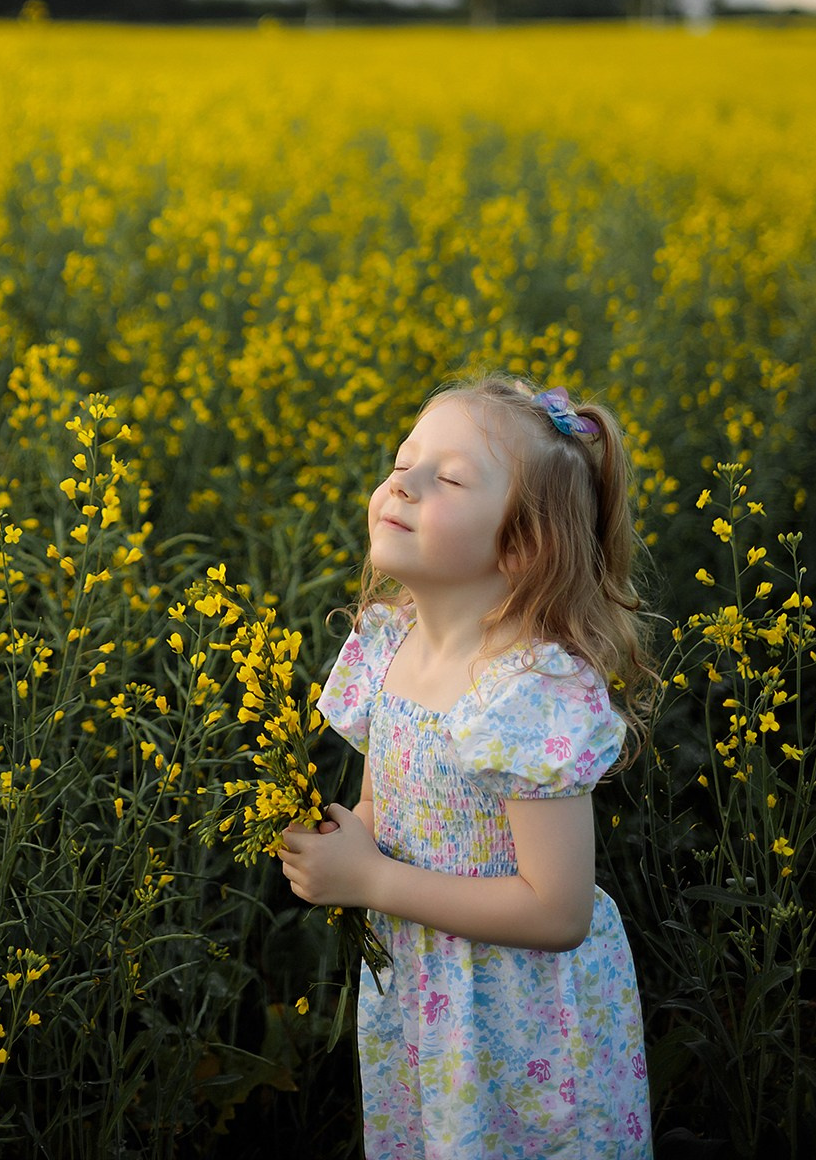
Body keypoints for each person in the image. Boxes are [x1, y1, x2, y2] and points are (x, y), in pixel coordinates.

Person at [279, 372, 655, 1158]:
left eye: (445, 479)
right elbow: (385, 811)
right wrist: (339, 843)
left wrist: (371, 883)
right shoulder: (388, 646)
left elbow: (558, 912)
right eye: (400, 462)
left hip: (521, 1017)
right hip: (422, 992)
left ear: (520, 545)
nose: (401, 485)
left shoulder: (527, 695)